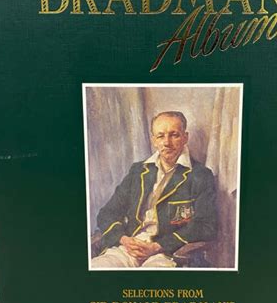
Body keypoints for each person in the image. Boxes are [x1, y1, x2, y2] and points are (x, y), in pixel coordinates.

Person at [91, 111, 217, 268]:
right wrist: (124, 240)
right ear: (153, 141)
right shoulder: (138, 171)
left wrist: (158, 246)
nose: (167, 142)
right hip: (130, 247)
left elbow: (206, 225)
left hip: (168, 252)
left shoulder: (200, 175)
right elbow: (107, 213)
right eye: (160, 136)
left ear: (185, 137)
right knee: (99, 267)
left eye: (174, 135)